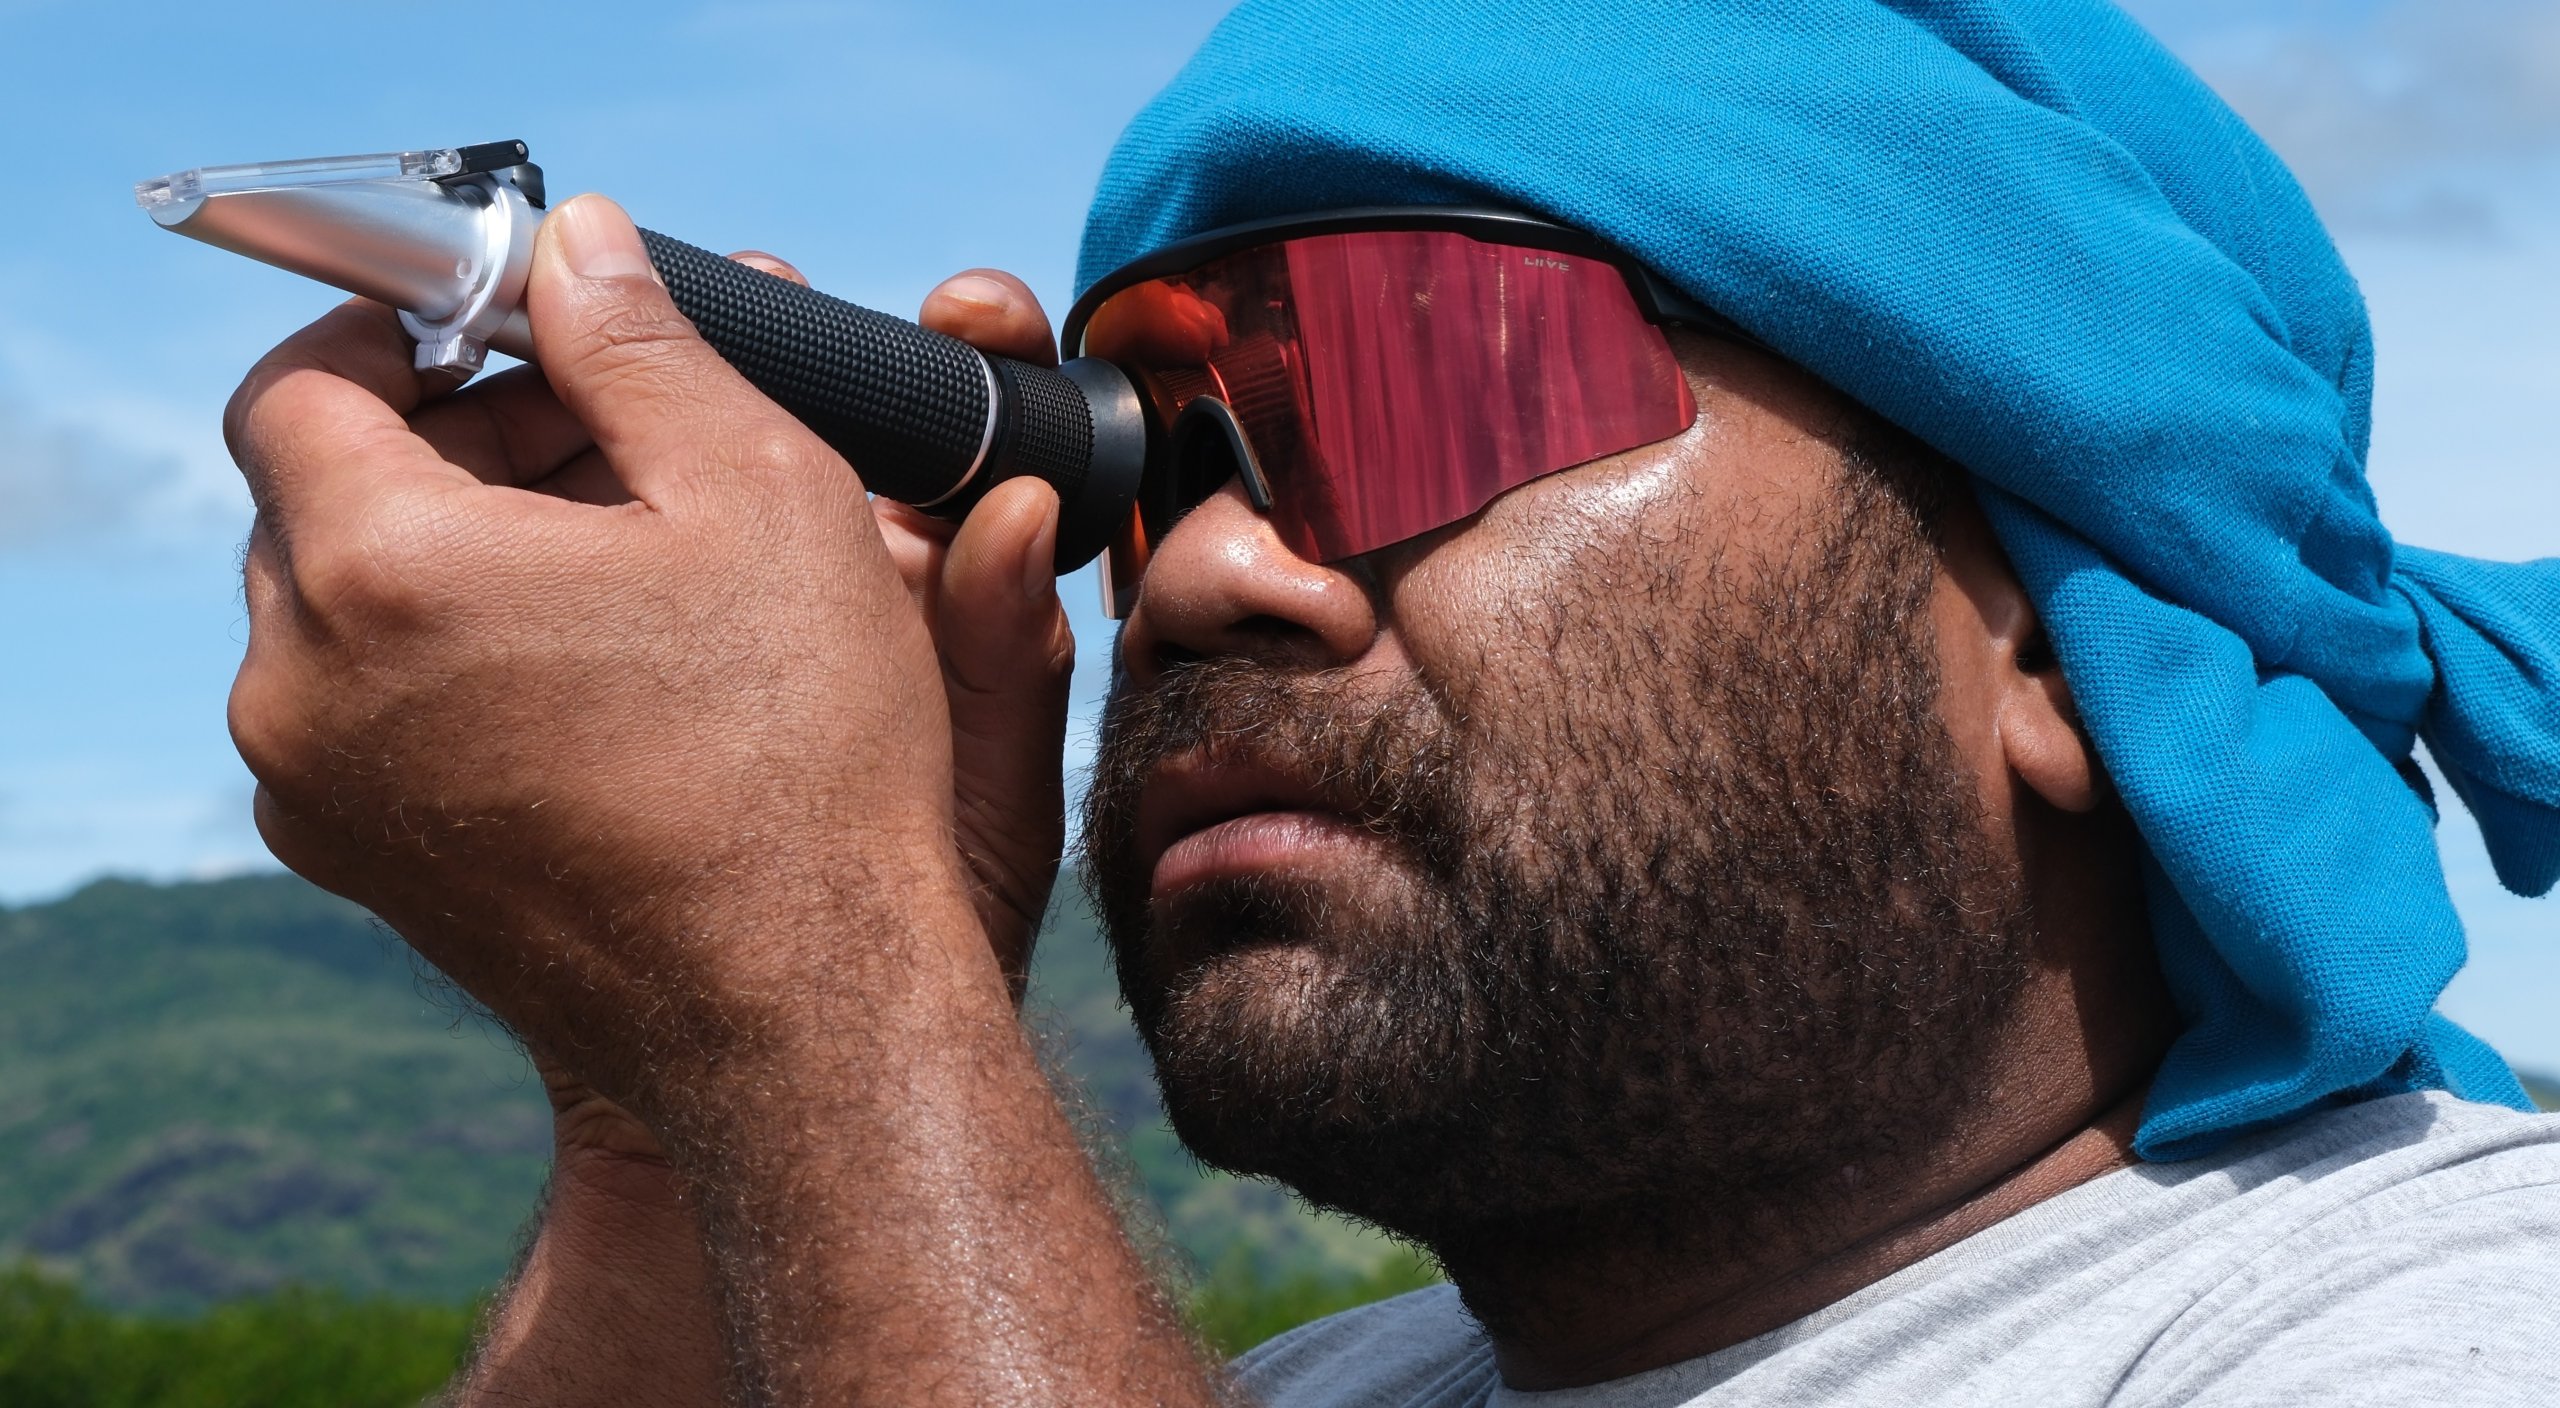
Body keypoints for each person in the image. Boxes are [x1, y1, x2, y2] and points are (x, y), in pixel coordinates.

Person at [218, 1, 2560, 1404]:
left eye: (1433, 381)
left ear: (2058, 630)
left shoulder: (2445, 1324)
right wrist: (666, 1086)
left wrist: (807, 974)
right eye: (1154, 457)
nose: (1206, 571)